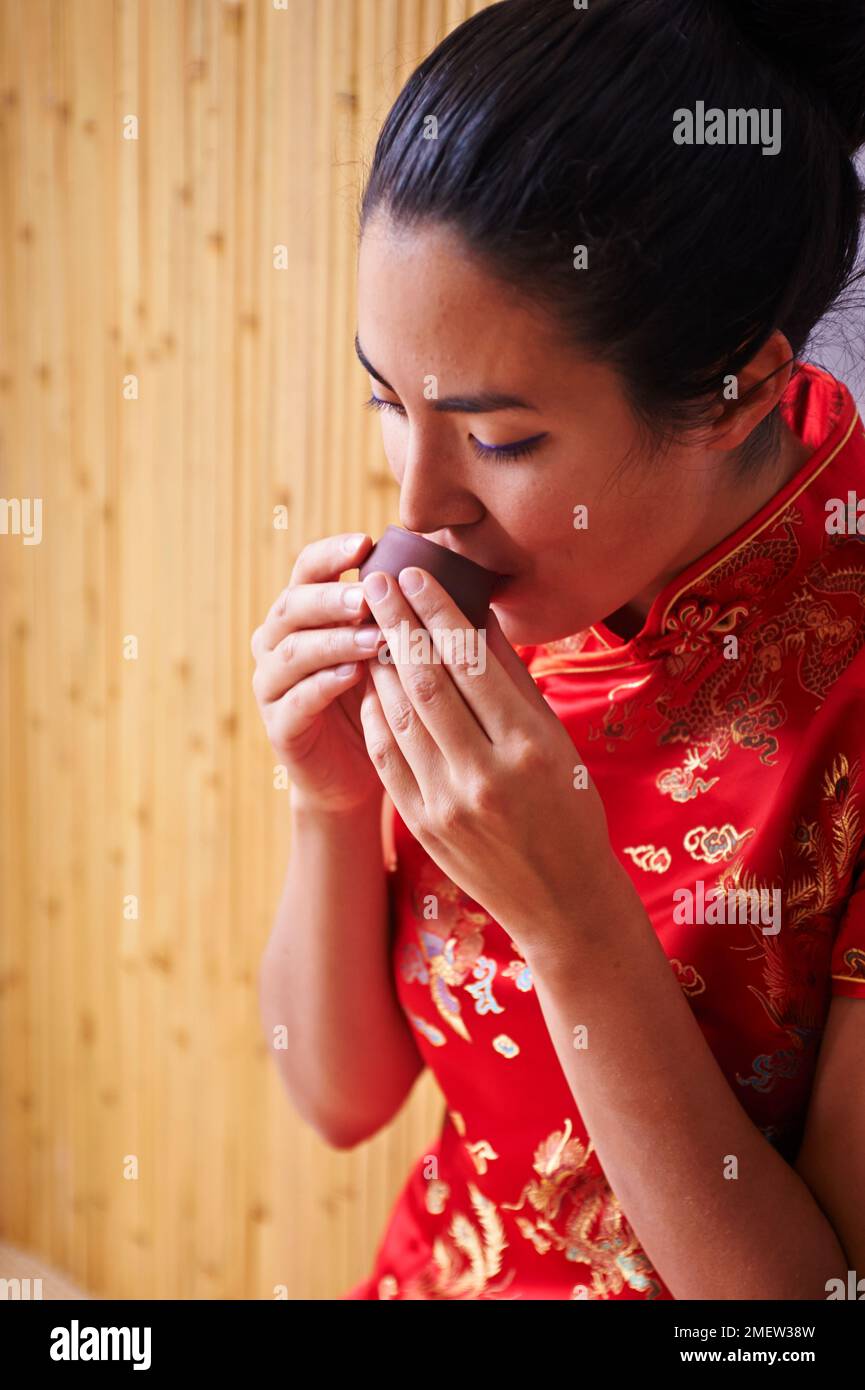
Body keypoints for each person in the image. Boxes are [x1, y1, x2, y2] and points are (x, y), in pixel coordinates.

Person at [252, 0, 865, 1299]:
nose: (416, 507)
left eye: (501, 439)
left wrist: (573, 920)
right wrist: (328, 798)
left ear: (733, 391)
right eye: (385, 400)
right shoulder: (511, 598)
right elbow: (341, 1098)